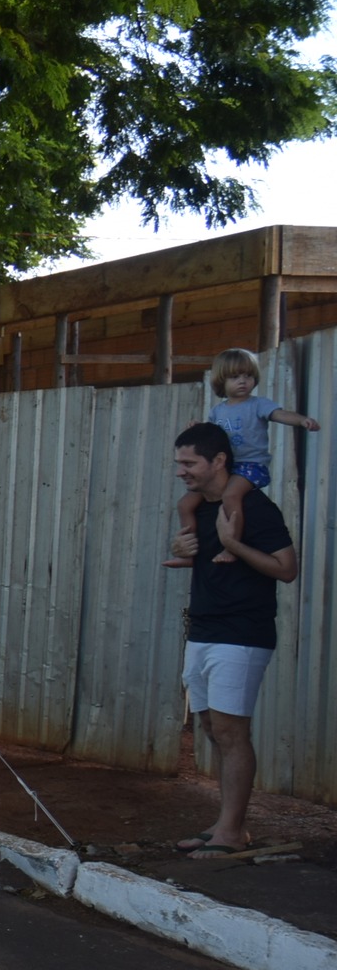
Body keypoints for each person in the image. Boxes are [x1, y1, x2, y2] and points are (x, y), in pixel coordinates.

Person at [170, 422, 297, 856]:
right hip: (203, 628)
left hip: (242, 633)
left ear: (219, 461)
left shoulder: (255, 509)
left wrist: (232, 544)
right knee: (210, 727)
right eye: (179, 463)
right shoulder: (198, 509)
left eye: (190, 463)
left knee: (231, 731)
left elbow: (286, 568)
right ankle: (227, 825)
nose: (181, 471)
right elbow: (209, 565)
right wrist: (185, 554)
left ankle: (231, 830)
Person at [164, 348, 318, 568]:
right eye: (235, 377)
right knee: (185, 504)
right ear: (221, 381)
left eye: (248, 376)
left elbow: (280, 414)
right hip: (230, 466)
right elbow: (211, 436)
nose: (243, 381)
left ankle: (231, 546)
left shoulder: (258, 404)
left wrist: (302, 421)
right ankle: (188, 552)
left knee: (230, 496)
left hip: (251, 467)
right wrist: (198, 427)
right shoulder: (218, 411)